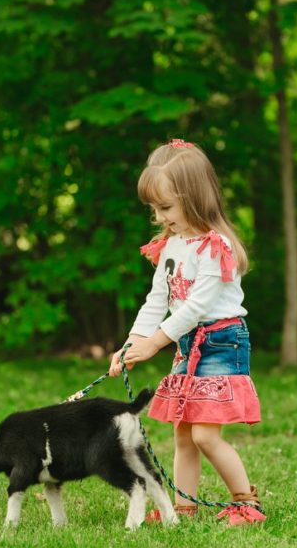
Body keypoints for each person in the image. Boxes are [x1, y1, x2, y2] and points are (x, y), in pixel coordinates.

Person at [108, 138, 264, 524]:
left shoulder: (216, 246)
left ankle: (246, 503)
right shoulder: (172, 245)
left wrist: (155, 343)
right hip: (188, 342)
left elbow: (196, 306)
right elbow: (157, 300)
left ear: (194, 197)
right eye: (154, 209)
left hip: (221, 342)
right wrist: (131, 344)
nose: (159, 217)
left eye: (165, 207)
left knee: (206, 436)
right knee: (183, 435)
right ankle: (184, 507)